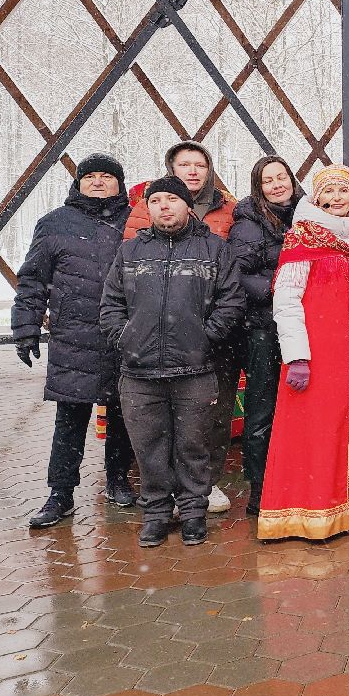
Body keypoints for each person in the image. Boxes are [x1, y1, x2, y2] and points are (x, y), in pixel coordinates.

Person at [99, 177, 244, 547]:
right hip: (139, 372)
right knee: (149, 448)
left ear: (187, 205)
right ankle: (157, 514)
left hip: (194, 369)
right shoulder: (130, 252)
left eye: (172, 199)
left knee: (194, 445)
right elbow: (111, 304)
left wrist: (204, 338)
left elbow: (231, 301)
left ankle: (194, 513)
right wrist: (125, 338)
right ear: (147, 207)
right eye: (157, 200)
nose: (165, 206)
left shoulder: (212, 248)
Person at [14, 154, 136, 528]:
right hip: (74, 336)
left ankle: (117, 480)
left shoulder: (135, 222)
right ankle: (60, 493)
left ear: (120, 183)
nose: (98, 182)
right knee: (70, 417)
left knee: (123, 414)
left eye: (107, 176)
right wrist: (25, 327)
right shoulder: (54, 224)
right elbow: (33, 279)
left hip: (123, 333)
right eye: (90, 177)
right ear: (78, 183)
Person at [258, 165, 349, 542]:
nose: (337, 198)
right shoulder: (302, 239)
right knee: (316, 431)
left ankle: (345, 508)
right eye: (329, 192)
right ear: (317, 198)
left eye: (343, 191)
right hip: (317, 355)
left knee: (348, 425)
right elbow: (286, 301)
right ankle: (309, 511)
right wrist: (297, 356)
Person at [124, 140, 240, 513]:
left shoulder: (229, 210)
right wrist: (129, 332)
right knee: (159, 419)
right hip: (153, 337)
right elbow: (126, 276)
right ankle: (166, 493)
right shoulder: (148, 210)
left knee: (211, 413)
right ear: (170, 170)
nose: (192, 171)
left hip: (207, 335)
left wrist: (210, 331)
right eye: (184, 164)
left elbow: (230, 279)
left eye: (200, 165)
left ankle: (206, 484)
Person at [228, 155, 303, 515]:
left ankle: (296, 481)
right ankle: (260, 490)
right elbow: (237, 275)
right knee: (262, 409)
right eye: (268, 180)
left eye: (282, 177)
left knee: (300, 407)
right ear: (258, 188)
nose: (277, 184)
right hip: (263, 328)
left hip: (303, 325)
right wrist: (282, 288)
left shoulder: (308, 213)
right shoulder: (248, 223)